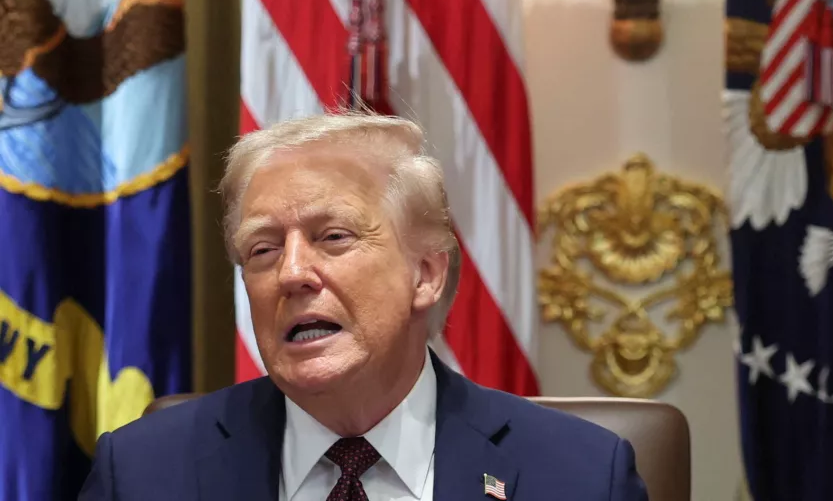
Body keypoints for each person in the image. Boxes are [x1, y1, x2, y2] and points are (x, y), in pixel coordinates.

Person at [79, 110, 649, 500]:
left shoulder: (579, 476)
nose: (292, 273)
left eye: (334, 237)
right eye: (262, 248)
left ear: (425, 275)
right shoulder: (141, 475)